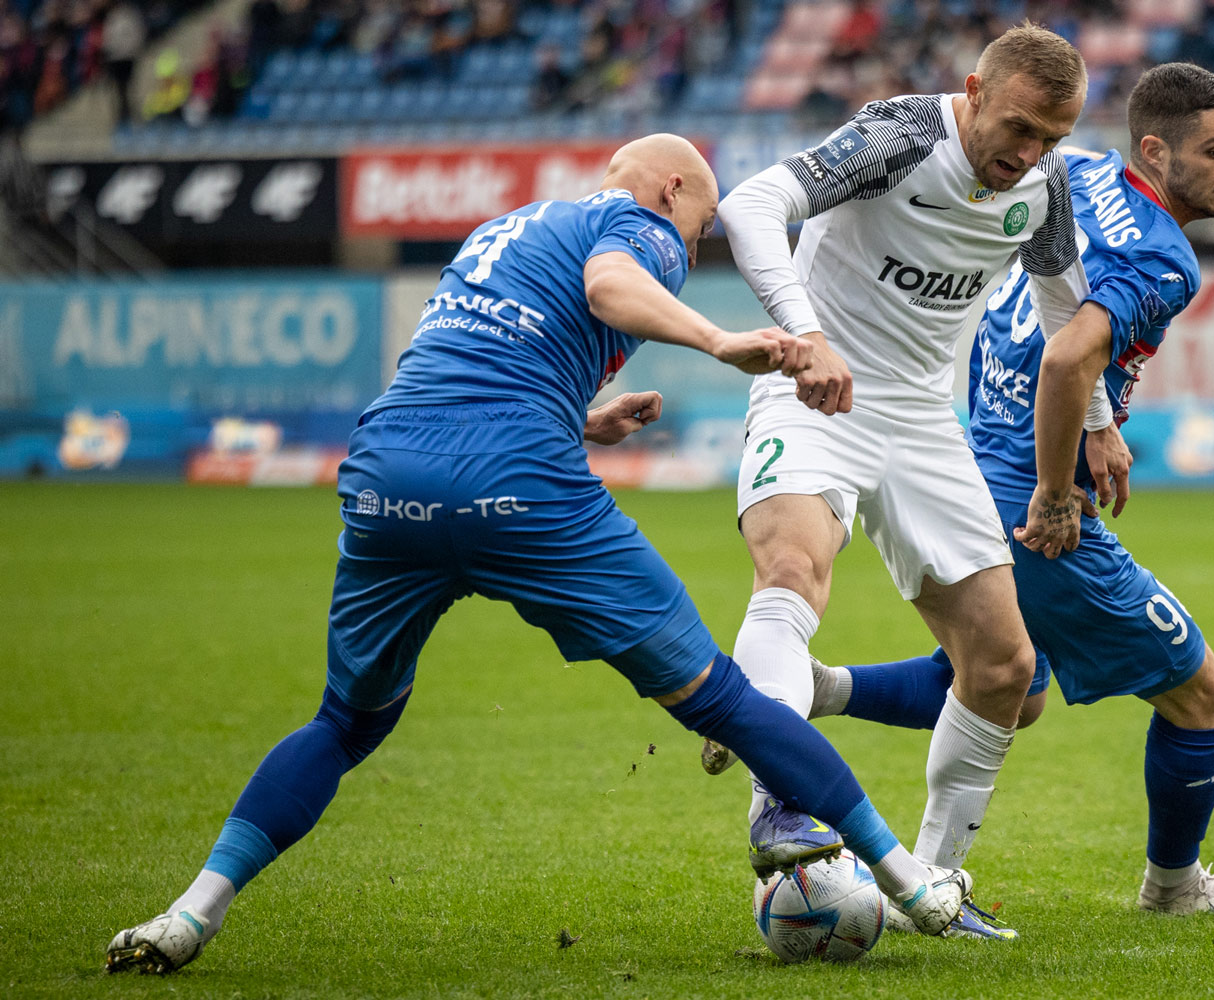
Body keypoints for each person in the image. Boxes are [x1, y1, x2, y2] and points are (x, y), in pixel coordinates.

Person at [104, 135, 974, 975]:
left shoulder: (501, 230)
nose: (693, 241)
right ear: (671, 191)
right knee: (723, 700)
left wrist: (580, 419)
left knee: (344, 722)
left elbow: (459, 366)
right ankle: (912, 883)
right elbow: (609, 285)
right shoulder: (640, 230)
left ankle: (189, 913)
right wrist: (720, 340)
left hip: (387, 476)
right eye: (700, 225)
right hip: (517, 485)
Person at [752, 63, 1214, 921]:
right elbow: (1069, 352)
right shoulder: (1160, 253)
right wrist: (1054, 489)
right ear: (1156, 150)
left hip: (968, 438)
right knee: (1200, 696)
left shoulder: (1071, 175)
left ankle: (791, 693)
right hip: (1028, 494)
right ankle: (1173, 887)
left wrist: (1102, 424)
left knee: (1011, 679)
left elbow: (1046, 313)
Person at [710, 22, 1124, 940]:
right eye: (1017, 127)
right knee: (792, 574)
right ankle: (781, 802)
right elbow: (749, 203)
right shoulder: (899, 135)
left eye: (1051, 139)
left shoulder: (1044, 182)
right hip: (816, 394)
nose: (1030, 154)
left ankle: (932, 880)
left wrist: (1097, 423)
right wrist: (802, 333)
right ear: (973, 90)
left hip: (925, 421)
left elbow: (1063, 297)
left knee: (1009, 672)